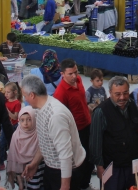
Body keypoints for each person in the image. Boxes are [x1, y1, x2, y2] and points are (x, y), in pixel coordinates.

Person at [19, 75, 86, 190]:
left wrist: (65, 185)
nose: (25, 100)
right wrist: (35, 163)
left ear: (32, 95)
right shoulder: (40, 109)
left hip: (65, 173)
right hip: (52, 168)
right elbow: (46, 141)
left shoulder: (55, 116)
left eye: (25, 96)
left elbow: (65, 155)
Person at [89, 76, 138, 190]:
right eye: (117, 94)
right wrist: (100, 167)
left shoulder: (131, 104)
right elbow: (95, 143)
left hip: (132, 163)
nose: (122, 97)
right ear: (110, 92)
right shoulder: (101, 112)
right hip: (113, 167)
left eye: (125, 93)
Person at [52, 58, 93, 190]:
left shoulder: (79, 80)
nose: (74, 76)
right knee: (79, 161)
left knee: (90, 156)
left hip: (88, 124)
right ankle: (81, 185)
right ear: (62, 74)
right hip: (76, 132)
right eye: (70, 74)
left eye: (76, 72)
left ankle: (86, 181)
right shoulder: (61, 93)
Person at [6, 106, 44, 190]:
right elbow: (14, 158)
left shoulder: (39, 134)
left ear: (34, 119)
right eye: (22, 120)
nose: (25, 123)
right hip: (22, 173)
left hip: (38, 170)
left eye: (29, 119)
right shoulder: (16, 135)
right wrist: (20, 183)